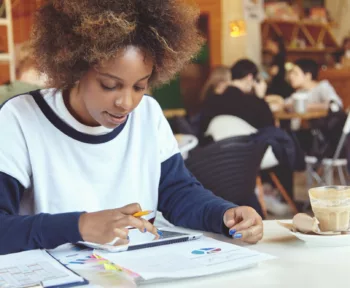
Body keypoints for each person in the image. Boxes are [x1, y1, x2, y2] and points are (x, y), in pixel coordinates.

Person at [0, 0, 263, 255]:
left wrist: (224, 214)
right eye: (109, 85)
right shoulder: (20, 118)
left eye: (140, 86)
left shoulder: (147, 114)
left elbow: (177, 193)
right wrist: (79, 226)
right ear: (75, 67)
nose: (126, 103)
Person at [199, 59, 273, 140]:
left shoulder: (210, 101)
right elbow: (270, 131)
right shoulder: (256, 104)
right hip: (249, 151)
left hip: (215, 150)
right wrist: (261, 99)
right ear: (249, 77)